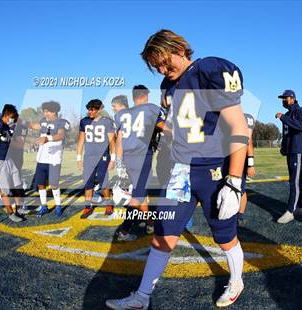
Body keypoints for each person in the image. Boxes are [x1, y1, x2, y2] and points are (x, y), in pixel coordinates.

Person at [106, 29, 249, 309]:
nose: (161, 69)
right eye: (155, 65)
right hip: (181, 171)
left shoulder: (209, 69)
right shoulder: (167, 87)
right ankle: (142, 296)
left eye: (164, 62)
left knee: (224, 236)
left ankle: (236, 280)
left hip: (213, 169)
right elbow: (180, 126)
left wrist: (234, 179)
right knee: (163, 234)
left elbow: (239, 126)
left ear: (180, 49)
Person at [114, 85, 165, 241]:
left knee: (141, 192)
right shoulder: (150, 109)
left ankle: (150, 224)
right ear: (145, 95)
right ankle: (124, 229)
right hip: (142, 157)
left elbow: (120, 139)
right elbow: (164, 127)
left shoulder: (123, 114)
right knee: (139, 194)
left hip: (128, 158)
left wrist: (119, 162)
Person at [28, 101, 70, 217]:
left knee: (54, 184)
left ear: (54, 111)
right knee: (40, 184)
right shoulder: (43, 121)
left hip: (54, 159)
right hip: (41, 158)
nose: (44, 114)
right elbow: (34, 125)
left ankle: (58, 205)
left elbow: (61, 135)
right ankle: (44, 206)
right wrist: (23, 123)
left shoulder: (62, 122)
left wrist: (48, 138)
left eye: (46, 111)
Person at [77, 99, 115, 218]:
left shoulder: (106, 122)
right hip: (89, 157)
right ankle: (87, 207)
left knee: (104, 182)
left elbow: (112, 141)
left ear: (99, 110)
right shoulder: (84, 121)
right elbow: (81, 140)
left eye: (92, 109)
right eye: (89, 109)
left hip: (103, 156)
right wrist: (78, 158)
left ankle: (108, 204)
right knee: (88, 183)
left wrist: (113, 159)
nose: (90, 112)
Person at [275, 89, 302, 224]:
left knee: (294, 180)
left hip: (299, 150)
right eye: (282, 98)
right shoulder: (288, 114)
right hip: (291, 151)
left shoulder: (300, 111)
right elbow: (287, 134)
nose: (283, 100)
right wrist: (284, 147)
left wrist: (283, 118)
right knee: (297, 179)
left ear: (293, 98)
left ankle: (291, 211)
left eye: (286, 98)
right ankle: (300, 207)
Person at [0, 104, 24, 223]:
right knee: (5, 189)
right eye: (11, 116)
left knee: (17, 185)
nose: (13, 119)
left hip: (9, 160)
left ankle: (18, 210)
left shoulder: (7, 127)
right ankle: (10, 213)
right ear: (6, 115)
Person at [238, 113, 256, 225]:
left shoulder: (246, 117)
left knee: (240, 189)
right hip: (224, 158)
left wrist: (250, 165)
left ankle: (239, 216)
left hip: (240, 160)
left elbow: (249, 142)